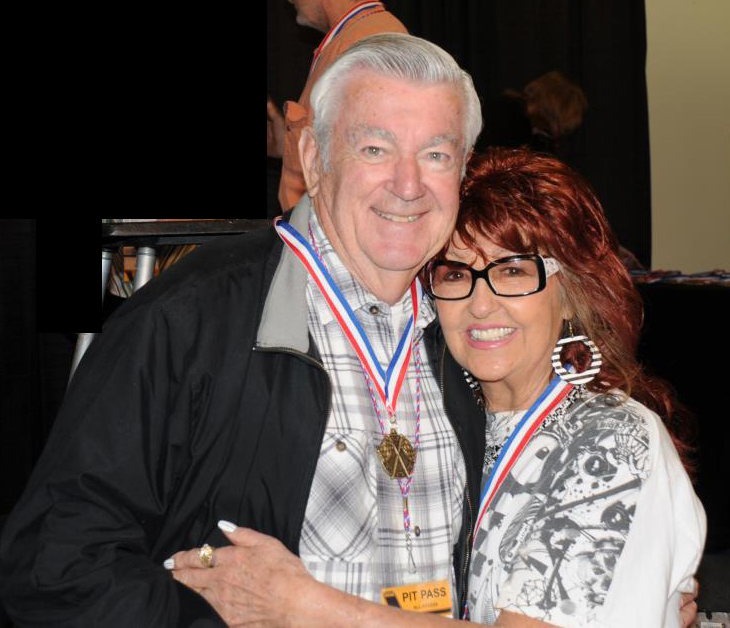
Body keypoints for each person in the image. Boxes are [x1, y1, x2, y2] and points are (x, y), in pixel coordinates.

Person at [0, 34, 485, 626]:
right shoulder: (188, 319)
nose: (408, 185)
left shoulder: (470, 331)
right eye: (375, 149)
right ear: (314, 158)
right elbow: (54, 567)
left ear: (463, 170)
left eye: (436, 155)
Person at [169, 148, 705, 627]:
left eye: (513, 271)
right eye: (455, 274)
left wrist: (302, 607)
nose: (480, 303)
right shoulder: (450, 425)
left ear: (569, 294)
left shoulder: (614, 440)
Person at [268, 0, 407, 212]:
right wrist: (287, 147)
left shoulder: (369, 43)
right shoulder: (351, 39)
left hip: (333, 230)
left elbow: (374, 165)